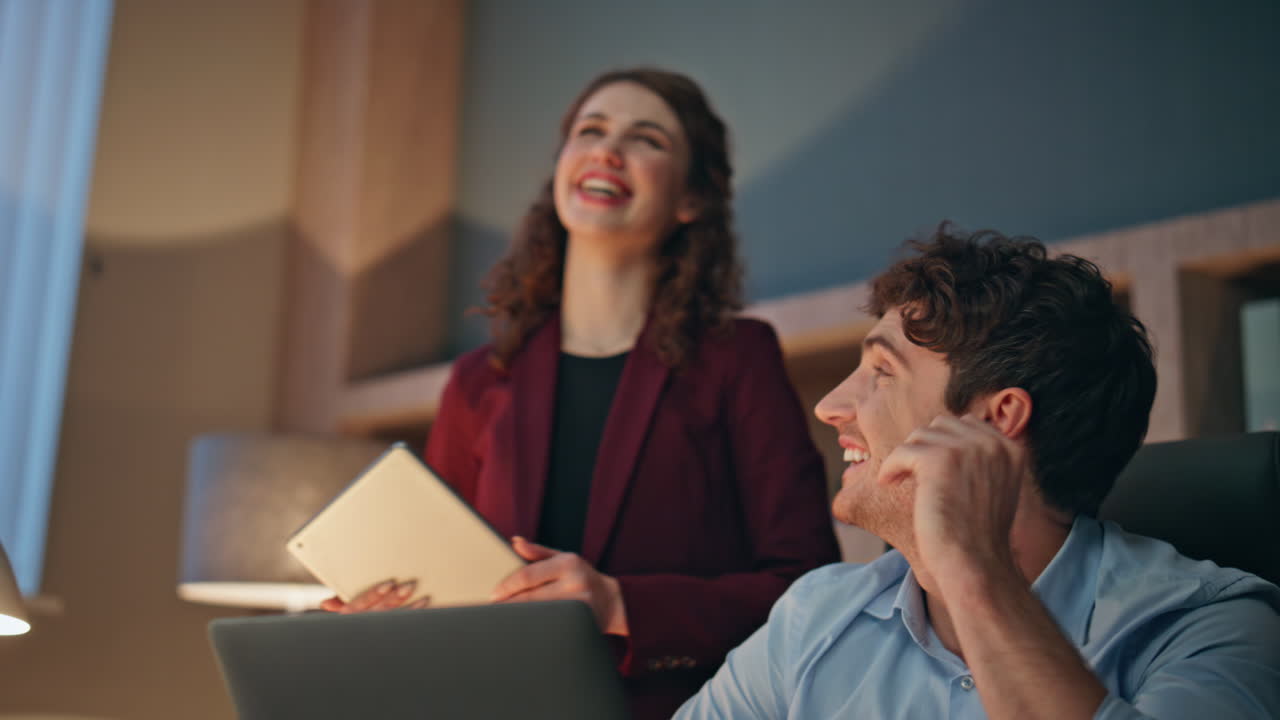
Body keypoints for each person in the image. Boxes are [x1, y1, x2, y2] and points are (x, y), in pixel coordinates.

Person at [322, 68, 840, 719]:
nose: (606, 150)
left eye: (646, 138)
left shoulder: (739, 359)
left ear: (692, 200)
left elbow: (809, 590)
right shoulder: (479, 382)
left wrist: (619, 604)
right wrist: (388, 615)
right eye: (590, 131)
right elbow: (451, 592)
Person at [675, 225, 1280, 719]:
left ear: (997, 419)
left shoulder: (1216, 628)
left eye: (882, 372)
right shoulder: (814, 619)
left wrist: (970, 564)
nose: (830, 405)